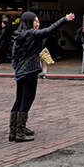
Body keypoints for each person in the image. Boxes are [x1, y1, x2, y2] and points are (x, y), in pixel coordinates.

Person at [10, 11, 75, 142]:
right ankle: (20, 133)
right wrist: (64, 19)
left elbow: (14, 55)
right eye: (35, 21)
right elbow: (49, 30)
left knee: (19, 100)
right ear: (29, 22)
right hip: (30, 71)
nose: (37, 24)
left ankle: (13, 131)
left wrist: (16, 68)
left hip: (21, 72)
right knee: (27, 100)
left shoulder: (19, 35)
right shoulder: (32, 33)